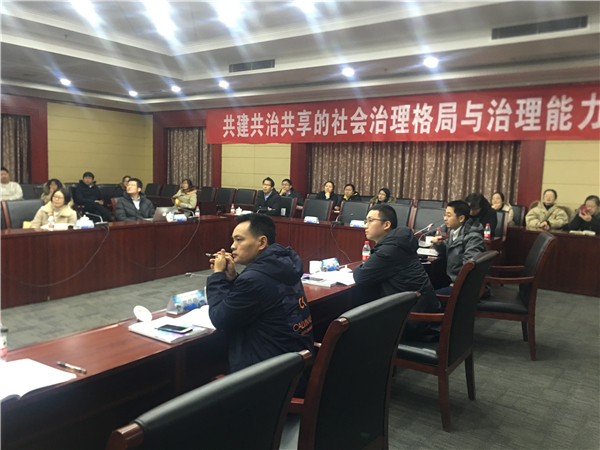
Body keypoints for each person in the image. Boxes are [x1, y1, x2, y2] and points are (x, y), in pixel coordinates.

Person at [206, 213, 313, 393]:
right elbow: (259, 299)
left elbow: (220, 318)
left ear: (262, 242)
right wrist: (232, 279)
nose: (232, 246)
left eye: (239, 240)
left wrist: (217, 276)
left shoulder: (254, 279)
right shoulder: (283, 265)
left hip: (270, 381)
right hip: (296, 369)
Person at [353, 205, 442, 342]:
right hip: (425, 316)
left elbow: (360, 276)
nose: (366, 225)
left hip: (414, 322)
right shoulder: (400, 241)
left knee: (354, 326)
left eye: (370, 221)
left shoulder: (390, 250)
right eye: (366, 221)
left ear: (386, 225)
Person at [432, 200, 486, 295]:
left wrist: (458, 284)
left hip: (466, 287)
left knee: (425, 298)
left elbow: (470, 267)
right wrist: (438, 244)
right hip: (452, 280)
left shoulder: (473, 237)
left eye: (449, 216)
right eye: (445, 215)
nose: (445, 218)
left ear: (461, 218)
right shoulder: (454, 231)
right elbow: (447, 250)